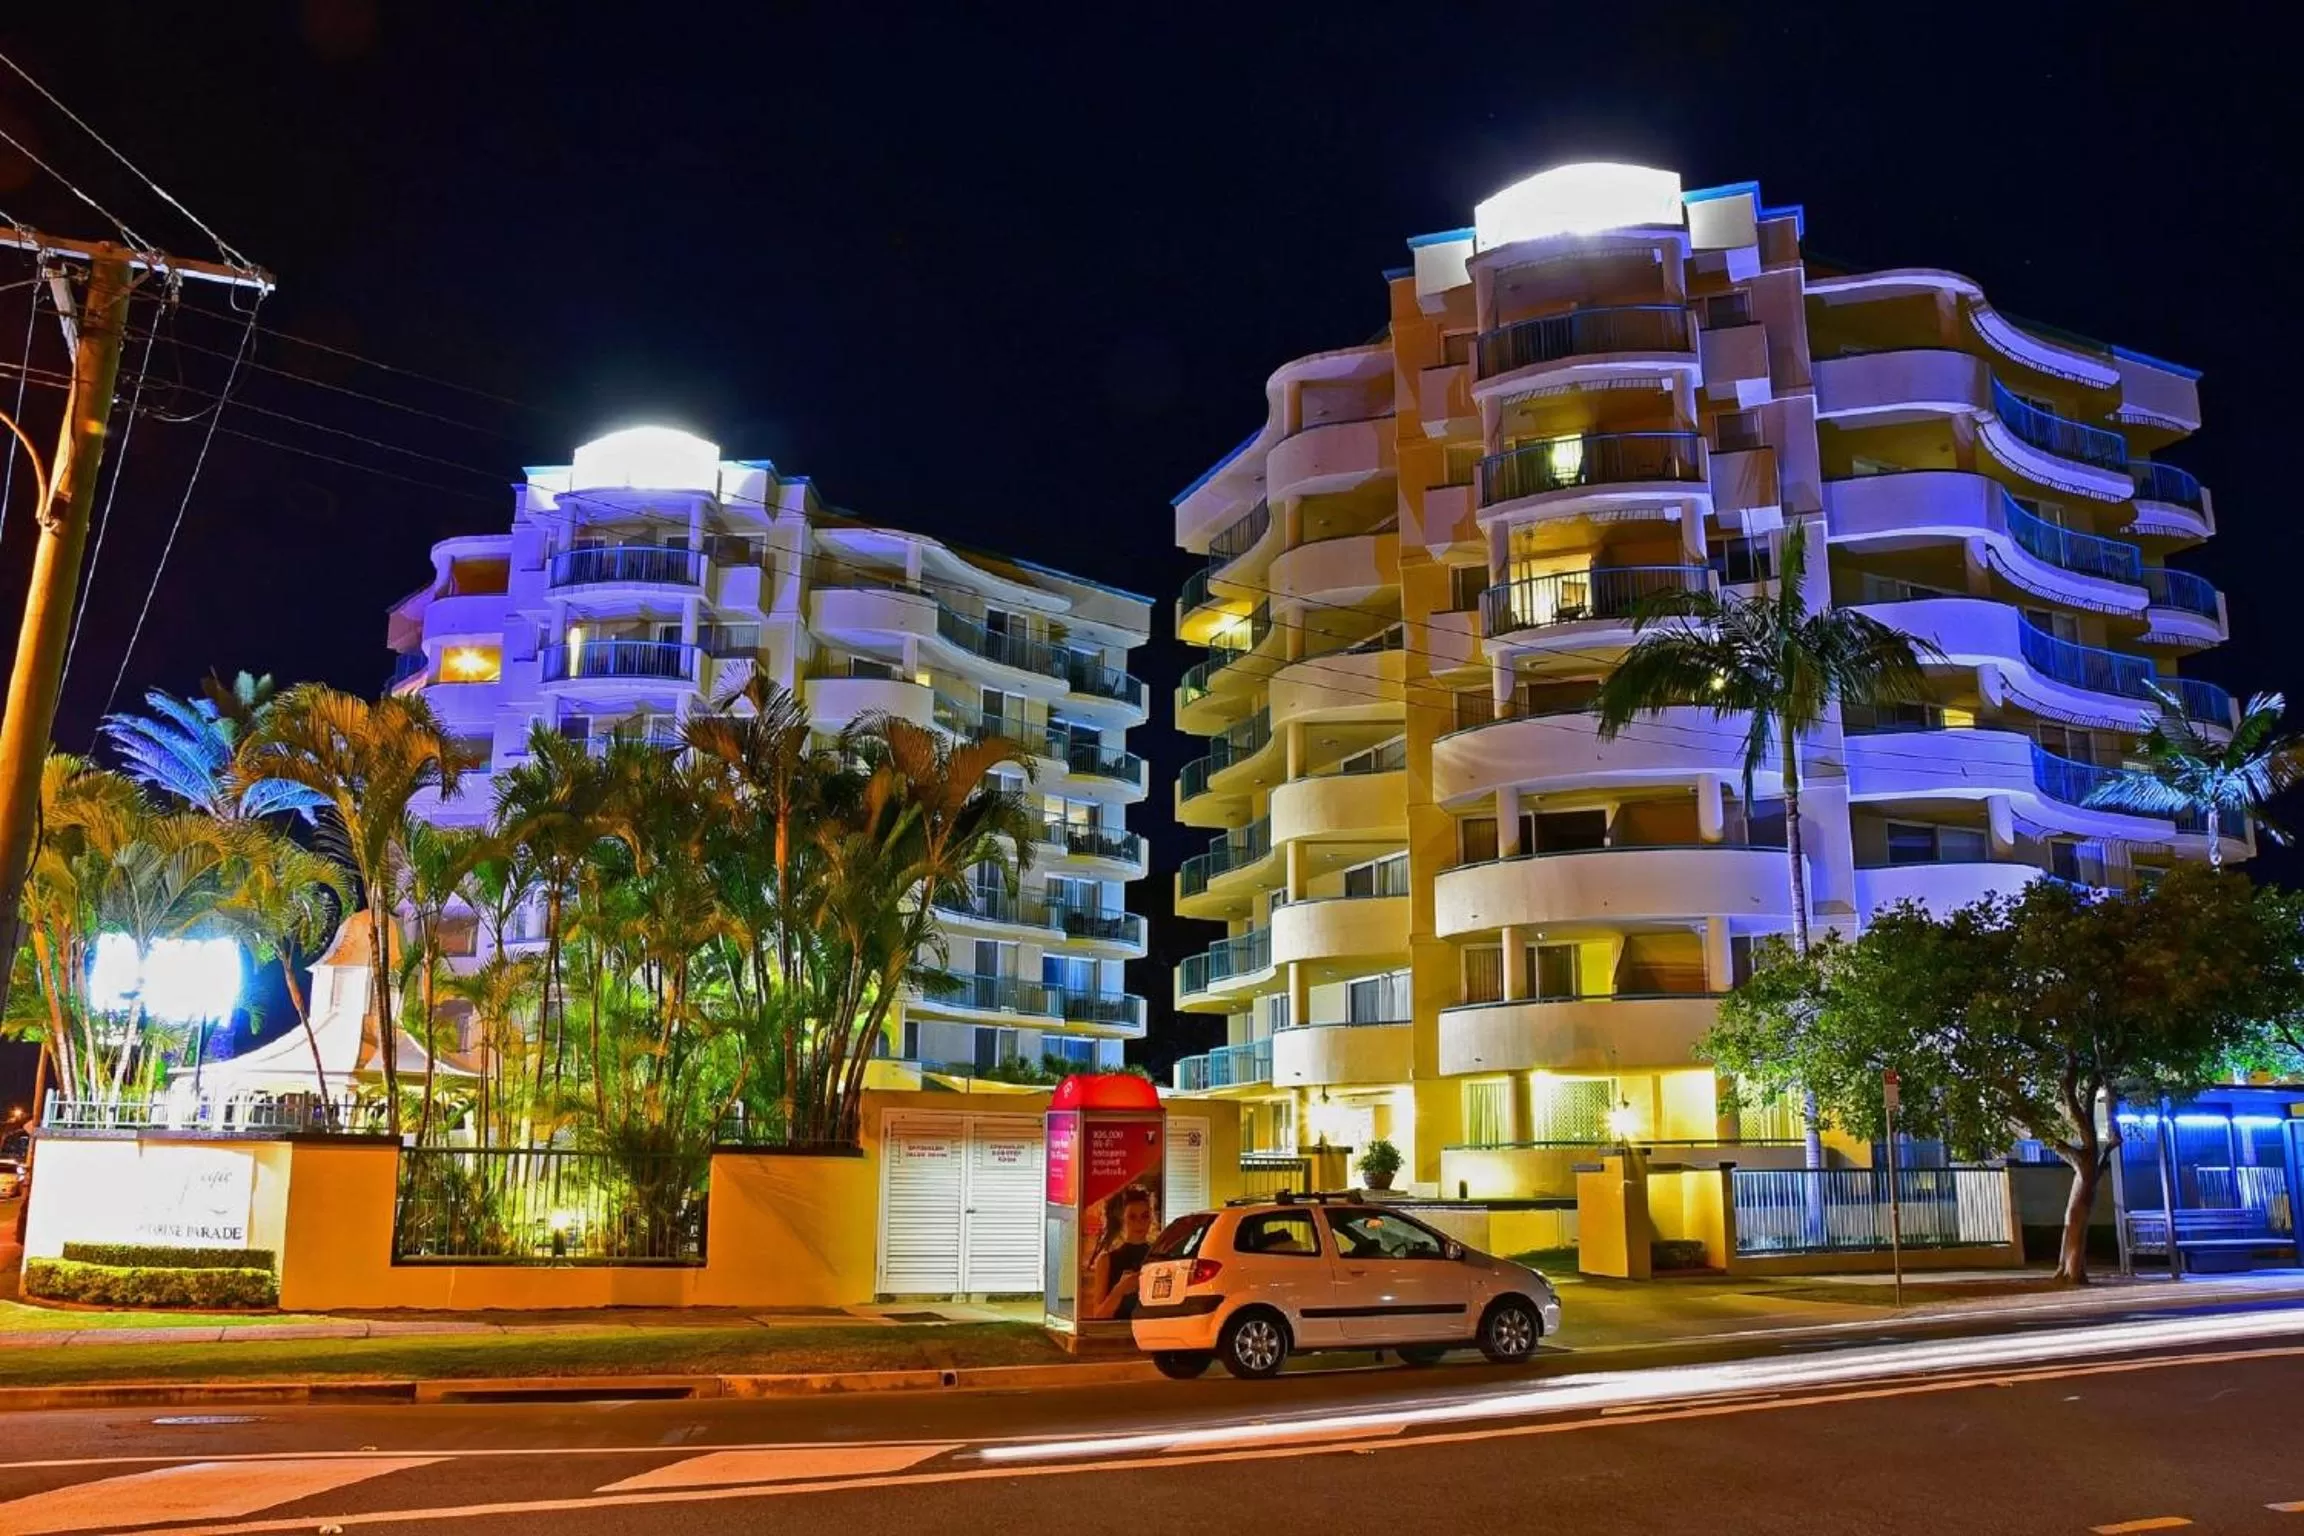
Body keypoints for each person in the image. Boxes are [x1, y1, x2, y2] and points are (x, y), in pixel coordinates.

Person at [1086, 1183, 1157, 1320]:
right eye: (1132, 1217)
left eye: (1145, 1216)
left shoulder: (1158, 1257)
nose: (1139, 1223)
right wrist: (1120, 1290)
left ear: (1151, 1218)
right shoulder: (1107, 1260)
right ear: (1122, 1219)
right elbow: (1099, 1315)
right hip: (1117, 1334)